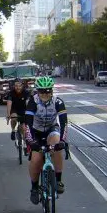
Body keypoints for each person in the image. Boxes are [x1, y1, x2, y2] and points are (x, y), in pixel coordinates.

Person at [25, 76, 68, 204]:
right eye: (42, 91)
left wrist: (63, 141)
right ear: (37, 91)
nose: (45, 94)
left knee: (56, 146)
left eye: (48, 91)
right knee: (36, 159)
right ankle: (34, 188)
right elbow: (28, 124)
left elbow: (64, 123)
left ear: (52, 91)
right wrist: (30, 141)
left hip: (51, 128)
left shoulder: (58, 102)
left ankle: (58, 180)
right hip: (36, 131)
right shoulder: (33, 102)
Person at [6, 78, 32, 143]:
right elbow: (9, 103)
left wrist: (30, 113)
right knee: (14, 118)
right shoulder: (11, 93)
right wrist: (8, 115)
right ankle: (13, 130)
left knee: (23, 128)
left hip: (24, 110)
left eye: (19, 85)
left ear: (22, 86)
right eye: (16, 86)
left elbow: (27, 102)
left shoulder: (26, 92)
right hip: (14, 109)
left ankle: (25, 144)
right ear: (14, 86)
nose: (18, 87)